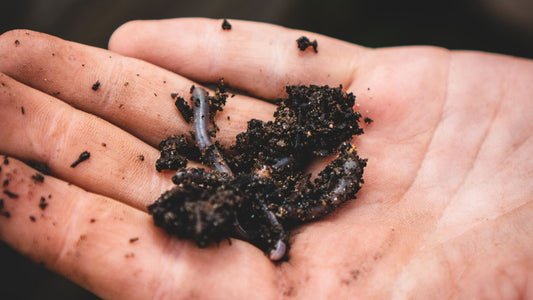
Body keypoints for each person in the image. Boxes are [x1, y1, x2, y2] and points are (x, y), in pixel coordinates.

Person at [0, 18, 532, 299]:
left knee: (212, 150)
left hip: (261, 184)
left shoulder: (262, 191)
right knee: (210, 148)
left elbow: (255, 208)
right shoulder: (247, 188)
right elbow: (239, 192)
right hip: (251, 182)